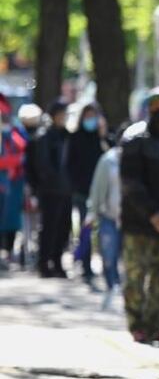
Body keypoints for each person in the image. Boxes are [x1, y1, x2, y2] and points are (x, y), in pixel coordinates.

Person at [120, 88, 159, 344]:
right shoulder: (135, 139)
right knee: (135, 276)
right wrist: (151, 213)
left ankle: (155, 325)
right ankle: (137, 324)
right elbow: (131, 183)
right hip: (138, 223)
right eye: (156, 106)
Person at [66, 102, 108, 286]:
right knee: (86, 228)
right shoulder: (75, 138)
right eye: (87, 116)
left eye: (94, 116)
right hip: (82, 191)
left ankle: (106, 265)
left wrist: (103, 136)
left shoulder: (102, 138)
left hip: (102, 193)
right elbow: (69, 163)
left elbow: (110, 156)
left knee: (102, 230)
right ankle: (85, 264)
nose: (91, 120)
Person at [35, 99, 73, 278]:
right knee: (49, 227)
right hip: (51, 190)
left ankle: (57, 261)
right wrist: (53, 179)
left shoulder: (67, 136)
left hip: (66, 189)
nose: (63, 118)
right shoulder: (45, 136)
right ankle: (43, 262)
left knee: (64, 228)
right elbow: (43, 165)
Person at [85, 139, 124, 309]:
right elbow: (97, 188)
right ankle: (111, 285)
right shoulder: (108, 160)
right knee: (109, 254)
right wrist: (92, 211)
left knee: (126, 257)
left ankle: (122, 287)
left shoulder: (137, 159)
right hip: (108, 215)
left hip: (130, 219)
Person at [0, 95, 28, 270]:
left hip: (13, 183)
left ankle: (8, 252)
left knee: (11, 220)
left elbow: (22, 153)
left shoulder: (15, 134)